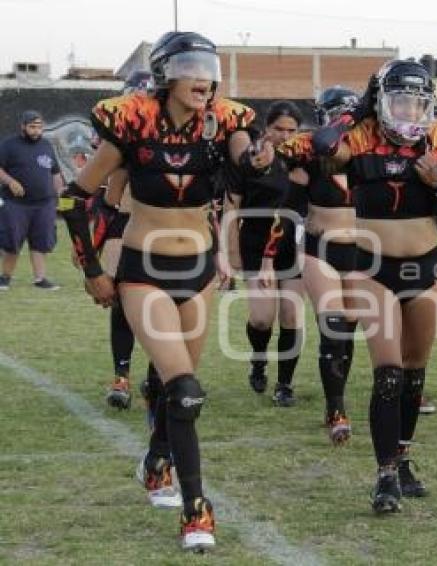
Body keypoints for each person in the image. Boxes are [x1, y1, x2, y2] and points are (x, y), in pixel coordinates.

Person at [58, 31, 271, 551]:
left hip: (197, 269)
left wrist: (259, 163)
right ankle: (197, 509)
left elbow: (245, 165)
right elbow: (74, 200)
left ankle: (156, 462)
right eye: (190, 66)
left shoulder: (227, 122)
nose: (203, 76)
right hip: (143, 270)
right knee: (185, 389)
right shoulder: (132, 123)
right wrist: (92, 268)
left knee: (182, 391)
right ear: (164, 74)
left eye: (209, 66)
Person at [307, 59, 437, 513]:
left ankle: (402, 458)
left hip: (425, 267)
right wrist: (356, 110)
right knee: (389, 371)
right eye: (398, 99)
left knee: (415, 372)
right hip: (371, 267)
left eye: (417, 101)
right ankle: (383, 475)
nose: (408, 110)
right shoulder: (359, 137)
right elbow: (323, 143)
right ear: (379, 101)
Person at [277, 87, 360, 444]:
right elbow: (291, 206)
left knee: (351, 325)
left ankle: (335, 398)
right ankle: (337, 407)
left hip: (362, 250)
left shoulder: (366, 154)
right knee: (333, 325)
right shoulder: (309, 155)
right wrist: (292, 245)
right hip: (319, 246)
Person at [225, 100, 305, 407]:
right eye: (278, 129)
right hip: (256, 242)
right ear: (266, 128)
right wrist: (231, 252)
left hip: (293, 244)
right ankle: (259, 360)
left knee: (291, 315)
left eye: (291, 130)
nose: (284, 136)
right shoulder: (249, 160)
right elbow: (232, 205)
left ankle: (285, 384)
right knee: (261, 319)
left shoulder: (303, 157)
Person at [97, 70, 158, 413]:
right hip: (126, 221)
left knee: (165, 305)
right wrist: (93, 246)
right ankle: (121, 376)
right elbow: (106, 198)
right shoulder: (120, 139)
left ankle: (158, 374)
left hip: (166, 230)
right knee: (122, 299)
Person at [0, 110, 65, 291]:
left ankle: (40, 279)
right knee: (11, 241)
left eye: (39, 127)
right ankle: (5, 277)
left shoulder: (46, 146)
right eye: (32, 127)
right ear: (23, 127)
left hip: (44, 204)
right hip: (15, 204)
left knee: (41, 242)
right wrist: (10, 181)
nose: (36, 131)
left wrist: (60, 191)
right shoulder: (9, 145)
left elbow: (55, 173)